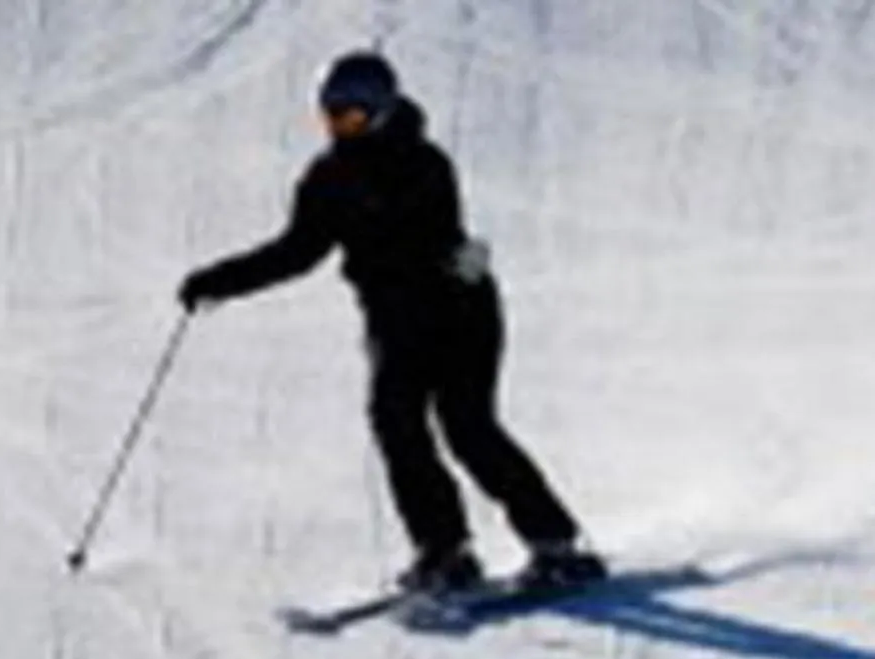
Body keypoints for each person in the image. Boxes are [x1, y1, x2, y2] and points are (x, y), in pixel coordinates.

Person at [178, 50, 605, 598]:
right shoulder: (327, 177)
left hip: (459, 311)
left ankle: (554, 544)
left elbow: (420, 238)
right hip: (396, 319)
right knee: (396, 423)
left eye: (351, 117)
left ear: (380, 111)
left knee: (467, 426)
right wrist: (219, 281)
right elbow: (298, 250)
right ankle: (444, 550)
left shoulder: (423, 162)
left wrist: (367, 221)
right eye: (330, 117)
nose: (339, 128)